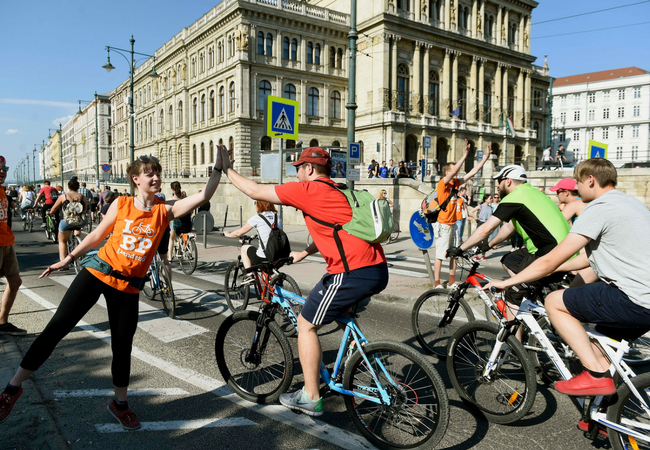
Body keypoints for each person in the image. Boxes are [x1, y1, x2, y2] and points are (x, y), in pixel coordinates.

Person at [0, 154, 224, 428]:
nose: (156, 177)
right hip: (98, 272)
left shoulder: (164, 210)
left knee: (122, 345)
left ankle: (120, 404)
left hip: (128, 286)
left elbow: (204, 195)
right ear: (136, 179)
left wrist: (218, 168)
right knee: (57, 327)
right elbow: (97, 236)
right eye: (150, 173)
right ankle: (12, 389)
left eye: (158, 173)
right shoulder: (122, 203)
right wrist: (68, 259)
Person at [218, 146, 388, 416]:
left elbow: (254, 190)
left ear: (309, 169)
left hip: (352, 271)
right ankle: (359, 362)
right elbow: (336, 229)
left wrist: (226, 168)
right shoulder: (339, 190)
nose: (296, 173)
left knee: (305, 324)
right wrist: (305, 252)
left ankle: (310, 397)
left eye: (298, 168)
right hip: (376, 268)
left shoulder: (309, 190)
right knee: (341, 313)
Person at [485, 159, 650, 396]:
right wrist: (555, 269)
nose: (577, 188)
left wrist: (508, 282)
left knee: (554, 301)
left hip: (633, 298)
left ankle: (595, 375)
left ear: (590, 180)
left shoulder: (599, 207)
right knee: (600, 350)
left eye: (578, 182)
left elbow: (550, 259)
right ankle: (604, 410)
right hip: (644, 301)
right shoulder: (630, 203)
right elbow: (586, 259)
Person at [448, 164, 571, 310]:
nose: (497, 187)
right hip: (564, 248)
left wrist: (460, 248)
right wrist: (487, 245)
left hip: (549, 252)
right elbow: (508, 228)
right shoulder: (532, 193)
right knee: (509, 260)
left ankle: (520, 305)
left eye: (499, 182)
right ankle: (528, 292)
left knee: (512, 296)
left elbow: (486, 229)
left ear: (508, 181)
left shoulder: (514, 197)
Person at [433, 140, 491, 289]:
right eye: (453, 170)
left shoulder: (456, 183)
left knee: (454, 254)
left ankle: (451, 282)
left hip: (453, 225)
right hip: (443, 225)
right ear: (447, 172)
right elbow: (454, 171)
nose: (457, 172)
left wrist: (486, 157)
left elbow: (473, 172)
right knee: (440, 255)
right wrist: (465, 154)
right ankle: (437, 283)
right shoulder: (442, 184)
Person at [224, 200, 283, 279]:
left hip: (264, 257)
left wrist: (228, 234)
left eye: (256, 202)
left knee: (244, 248)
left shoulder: (258, 218)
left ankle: (249, 276)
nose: (255, 205)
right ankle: (270, 283)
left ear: (259, 204)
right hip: (279, 256)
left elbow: (238, 233)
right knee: (268, 275)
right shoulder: (277, 216)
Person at [0, 156, 25, 336]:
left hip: (7, 241)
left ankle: (2, 322)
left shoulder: (2, 191)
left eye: (4, 168)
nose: (2, 171)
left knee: (15, 282)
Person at [47, 177, 88, 267]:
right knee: (77, 226)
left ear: (68, 187)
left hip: (67, 222)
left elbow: (55, 208)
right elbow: (85, 210)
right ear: (78, 187)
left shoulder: (63, 196)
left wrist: (50, 213)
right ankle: (77, 242)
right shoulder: (82, 197)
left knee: (62, 241)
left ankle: (64, 264)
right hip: (80, 221)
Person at [168, 181, 193, 259]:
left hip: (177, 223)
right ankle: (187, 249)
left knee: (171, 238)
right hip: (187, 223)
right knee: (185, 233)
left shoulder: (170, 200)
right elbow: (191, 210)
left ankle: (169, 258)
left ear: (172, 189)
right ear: (180, 188)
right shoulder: (186, 198)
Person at [469, 194, 493, 260]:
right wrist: (476, 218)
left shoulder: (491, 208)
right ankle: (475, 255)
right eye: (490, 198)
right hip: (481, 223)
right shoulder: (481, 206)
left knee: (485, 240)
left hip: (487, 224)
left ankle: (483, 255)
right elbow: (471, 212)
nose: (491, 199)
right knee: (478, 239)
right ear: (486, 199)